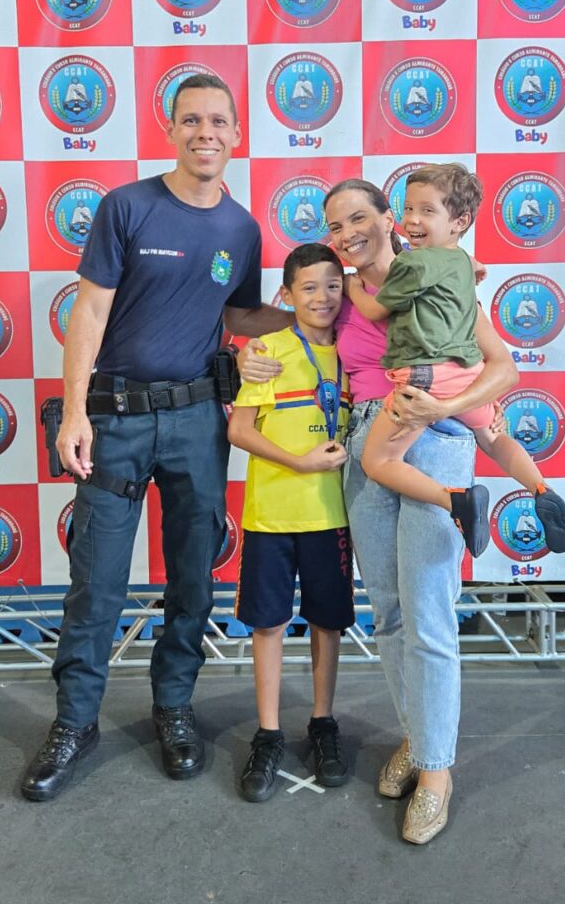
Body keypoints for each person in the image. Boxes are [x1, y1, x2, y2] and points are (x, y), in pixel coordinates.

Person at [20, 73, 288, 803]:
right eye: (192, 120)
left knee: (193, 579)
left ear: (237, 135)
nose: (206, 133)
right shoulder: (127, 206)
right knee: (97, 582)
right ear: (170, 129)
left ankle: (173, 707)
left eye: (219, 121)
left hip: (199, 422)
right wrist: (76, 412)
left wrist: (324, 310)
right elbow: (89, 313)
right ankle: (75, 724)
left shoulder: (242, 229)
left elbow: (238, 316)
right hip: (115, 419)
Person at [240, 177, 518, 845]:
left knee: (428, 614)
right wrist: (247, 353)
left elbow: (501, 365)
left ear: (390, 219)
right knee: (389, 612)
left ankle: (437, 773)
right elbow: (279, 317)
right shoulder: (343, 291)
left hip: (432, 441)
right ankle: (419, 738)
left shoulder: (436, 277)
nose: (346, 234)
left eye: (359, 218)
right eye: (335, 225)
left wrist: (453, 408)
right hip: (364, 446)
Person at [342, 164, 565, 557]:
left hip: (423, 378)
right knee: (494, 438)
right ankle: (540, 488)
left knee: (378, 460)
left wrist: (352, 286)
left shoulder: (413, 264)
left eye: (426, 210)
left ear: (460, 221)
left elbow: (374, 310)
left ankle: (455, 501)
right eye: (409, 209)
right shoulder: (463, 263)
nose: (412, 219)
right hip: (468, 372)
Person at [228, 243, 354, 803]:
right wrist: (300, 462)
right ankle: (269, 733)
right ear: (287, 294)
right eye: (308, 287)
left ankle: (323, 723)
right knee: (269, 625)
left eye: (333, 285)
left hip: (333, 517)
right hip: (271, 515)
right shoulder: (269, 350)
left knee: (328, 624)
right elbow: (239, 430)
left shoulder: (356, 351)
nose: (322, 297)